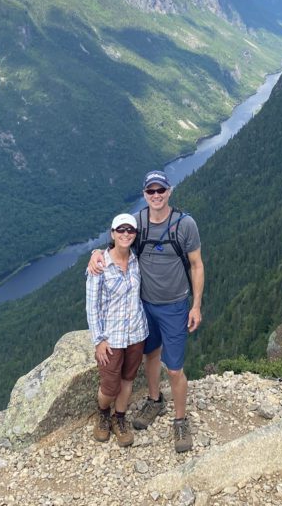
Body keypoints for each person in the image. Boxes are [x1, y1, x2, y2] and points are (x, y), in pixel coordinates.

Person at [89, 169, 204, 453]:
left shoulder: (184, 224)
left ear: (169, 191)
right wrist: (97, 255)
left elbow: (197, 265)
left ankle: (180, 420)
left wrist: (196, 305)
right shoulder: (138, 222)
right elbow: (119, 243)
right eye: (151, 191)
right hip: (144, 308)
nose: (156, 195)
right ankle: (155, 400)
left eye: (160, 190)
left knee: (174, 369)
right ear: (144, 194)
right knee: (151, 356)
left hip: (175, 306)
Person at [85, 213, 148, 447]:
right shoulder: (100, 264)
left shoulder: (136, 260)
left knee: (128, 378)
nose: (125, 234)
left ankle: (118, 418)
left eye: (130, 230)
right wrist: (98, 340)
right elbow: (92, 307)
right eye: (120, 230)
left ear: (134, 235)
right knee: (109, 386)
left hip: (136, 333)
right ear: (112, 234)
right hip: (111, 338)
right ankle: (103, 412)